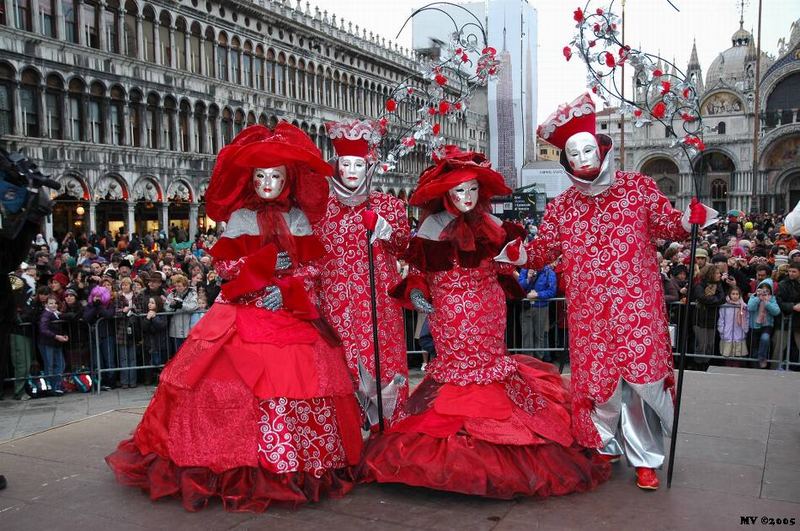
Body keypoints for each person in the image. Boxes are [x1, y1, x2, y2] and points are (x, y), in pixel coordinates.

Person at [106, 122, 363, 512]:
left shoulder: (297, 219)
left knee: (298, 379)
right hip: (244, 309)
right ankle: (229, 463)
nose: (267, 183)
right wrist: (263, 270)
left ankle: (291, 462)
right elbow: (225, 265)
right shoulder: (242, 217)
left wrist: (286, 287)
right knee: (225, 381)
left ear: (287, 179)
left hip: (288, 312)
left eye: (275, 176)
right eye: (260, 175)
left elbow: (312, 267)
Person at [360, 145, 610, 498]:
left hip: (487, 309)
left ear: (482, 191)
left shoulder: (492, 225)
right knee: (454, 373)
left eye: (472, 189)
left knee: (489, 368)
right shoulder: (432, 227)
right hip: (446, 311)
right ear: (446, 193)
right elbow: (419, 268)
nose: (466, 196)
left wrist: (518, 256)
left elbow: (511, 264)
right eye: (459, 190)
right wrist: (418, 292)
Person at [501, 93, 715, 490]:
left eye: (587, 149)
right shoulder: (563, 206)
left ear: (601, 149)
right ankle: (603, 445)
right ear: (565, 161)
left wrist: (689, 220)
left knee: (639, 382)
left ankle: (645, 457)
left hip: (637, 309)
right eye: (572, 153)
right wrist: (518, 254)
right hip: (589, 314)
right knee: (599, 385)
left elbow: (669, 225)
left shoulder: (637, 188)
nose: (583, 158)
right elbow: (543, 250)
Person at [313, 119, 410, 427]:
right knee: (342, 372)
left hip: (380, 307)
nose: (352, 170)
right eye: (346, 164)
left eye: (358, 163)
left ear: (368, 165)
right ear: (336, 166)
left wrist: (387, 230)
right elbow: (311, 259)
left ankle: (389, 433)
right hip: (335, 310)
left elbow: (405, 247)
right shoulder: (320, 210)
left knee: (384, 370)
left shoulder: (389, 206)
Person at [748, 279, 781, 368]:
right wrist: (758, 298)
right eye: (762, 289)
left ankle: (762, 358)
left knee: (765, 338)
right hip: (754, 325)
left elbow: (776, 311)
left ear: (770, 291)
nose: (764, 291)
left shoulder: (772, 298)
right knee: (754, 346)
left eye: (766, 290)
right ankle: (755, 366)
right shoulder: (754, 296)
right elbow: (750, 307)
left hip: (767, 325)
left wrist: (767, 302)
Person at [38, 296, 68, 395]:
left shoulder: (56, 313)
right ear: (46, 304)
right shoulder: (46, 314)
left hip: (55, 343)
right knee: (50, 365)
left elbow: (56, 327)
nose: (53, 305)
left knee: (60, 364)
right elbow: (43, 329)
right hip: (47, 343)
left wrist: (62, 335)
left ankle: (57, 386)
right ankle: (51, 387)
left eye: (55, 303)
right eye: (50, 303)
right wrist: (56, 336)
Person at [717, 286, 749, 361]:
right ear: (729, 295)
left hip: (739, 332)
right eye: (733, 294)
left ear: (739, 295)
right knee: (727, 355)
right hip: (727, 333)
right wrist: (722, 330)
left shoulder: (743, 306)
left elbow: (747, 318)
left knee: (737, 356)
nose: (735, 296)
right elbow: (721, 319)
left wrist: (745, 329)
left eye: (737, 294)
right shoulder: (725, 306)